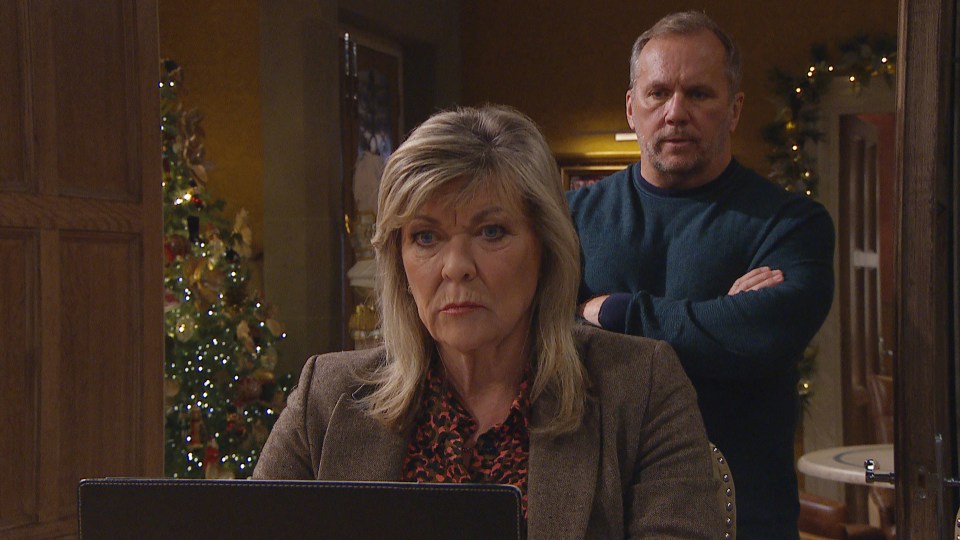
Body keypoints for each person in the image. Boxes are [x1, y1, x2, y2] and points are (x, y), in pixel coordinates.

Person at [254, 105, 725, 538]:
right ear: (399, 263)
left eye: (491, 231)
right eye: (425, 236)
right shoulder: (325, 395)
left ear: (545, 248)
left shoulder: (642, 388)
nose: (455, 265)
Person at [566, 10, 836, 539]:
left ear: (734, 109)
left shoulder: (790, 222)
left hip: (744, 514)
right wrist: (716, 320)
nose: (675, 112)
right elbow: (539, 343)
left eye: (699, 94)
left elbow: (758, 337)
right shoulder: (571, 218)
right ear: (631, 107)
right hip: (601, 511)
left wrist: (608, 312)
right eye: (658, 93)